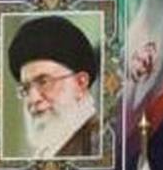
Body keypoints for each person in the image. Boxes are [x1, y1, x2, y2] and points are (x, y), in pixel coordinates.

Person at [7, 15, 100, 159]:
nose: (33, 99)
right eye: (26, 88)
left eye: (44, 82)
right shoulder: (49, 150)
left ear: (81, 83)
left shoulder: (99, 145)